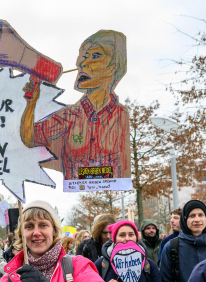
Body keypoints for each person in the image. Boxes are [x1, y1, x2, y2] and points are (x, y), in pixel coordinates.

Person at [20, 30, 130, 181]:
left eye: (95, 56)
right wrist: (31, 105)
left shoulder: (121, 115)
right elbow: (29, 138)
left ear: (114, 65)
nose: (82, 64)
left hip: (111, 198)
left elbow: (123, 170)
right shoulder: (68, 116)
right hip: (86, 197)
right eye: (83, 58)